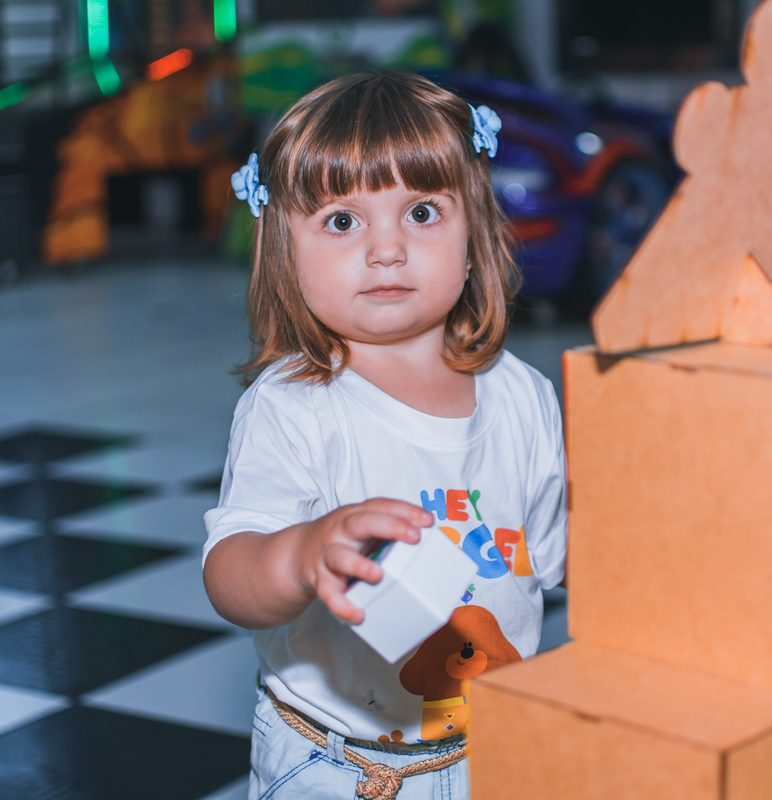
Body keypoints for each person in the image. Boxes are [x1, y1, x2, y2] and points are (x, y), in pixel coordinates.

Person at [202, 71, 567, 800]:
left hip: (491, 752)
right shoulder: (294, 408)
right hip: (338, 767)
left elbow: (557, 558)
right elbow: (230, 573)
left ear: (475, 237)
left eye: (423, 211)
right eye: (343, 221)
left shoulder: (523, 395)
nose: (387, 248)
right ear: (285, 251)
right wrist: (303, 553)